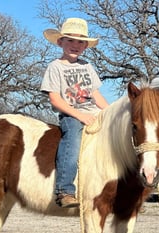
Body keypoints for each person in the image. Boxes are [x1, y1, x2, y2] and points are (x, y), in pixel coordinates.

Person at [41, 18, 108, 208]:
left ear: (86, 46)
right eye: (70, 40)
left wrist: (110, 113)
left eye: (80, 42)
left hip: (93, 112)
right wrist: (80, 116)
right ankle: (65, 190)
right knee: (72, 141)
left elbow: (95, 94)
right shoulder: (55, 67)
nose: (75, 45)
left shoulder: (87, 66)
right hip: (72, 115)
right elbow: (55, 99)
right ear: (60, 42)